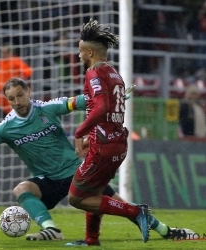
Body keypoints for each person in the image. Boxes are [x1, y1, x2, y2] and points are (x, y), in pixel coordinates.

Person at [0, 78, 196, 243]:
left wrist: (112, 97)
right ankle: (50, 229)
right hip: (48, 181)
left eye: (20, 95)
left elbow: (81, 101)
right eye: (11, 98)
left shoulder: (46, 109)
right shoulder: (5, 128)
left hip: (77, 172)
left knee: (120, 205)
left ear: (29, 92)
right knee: (21, 190)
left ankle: (167, 231)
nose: (16, 101)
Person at [65, 19, 150, 246]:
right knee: (96, 191)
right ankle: (91, 239)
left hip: (103, 146)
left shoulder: (93, 73)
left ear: (90, 51)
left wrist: (78, 133)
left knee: (76, 197)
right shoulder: (114, 74)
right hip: (118, 143)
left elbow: (101, 108)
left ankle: (135, 212)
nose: (79, 55)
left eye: (81, 51)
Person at [0, 43, 33, 122]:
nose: (3, 54)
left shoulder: (15, 60)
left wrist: (17, 81)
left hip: (8, 100)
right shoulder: (0, 63)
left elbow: (28, 71)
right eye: (2, 52)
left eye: (5, 52)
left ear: (10, 52)